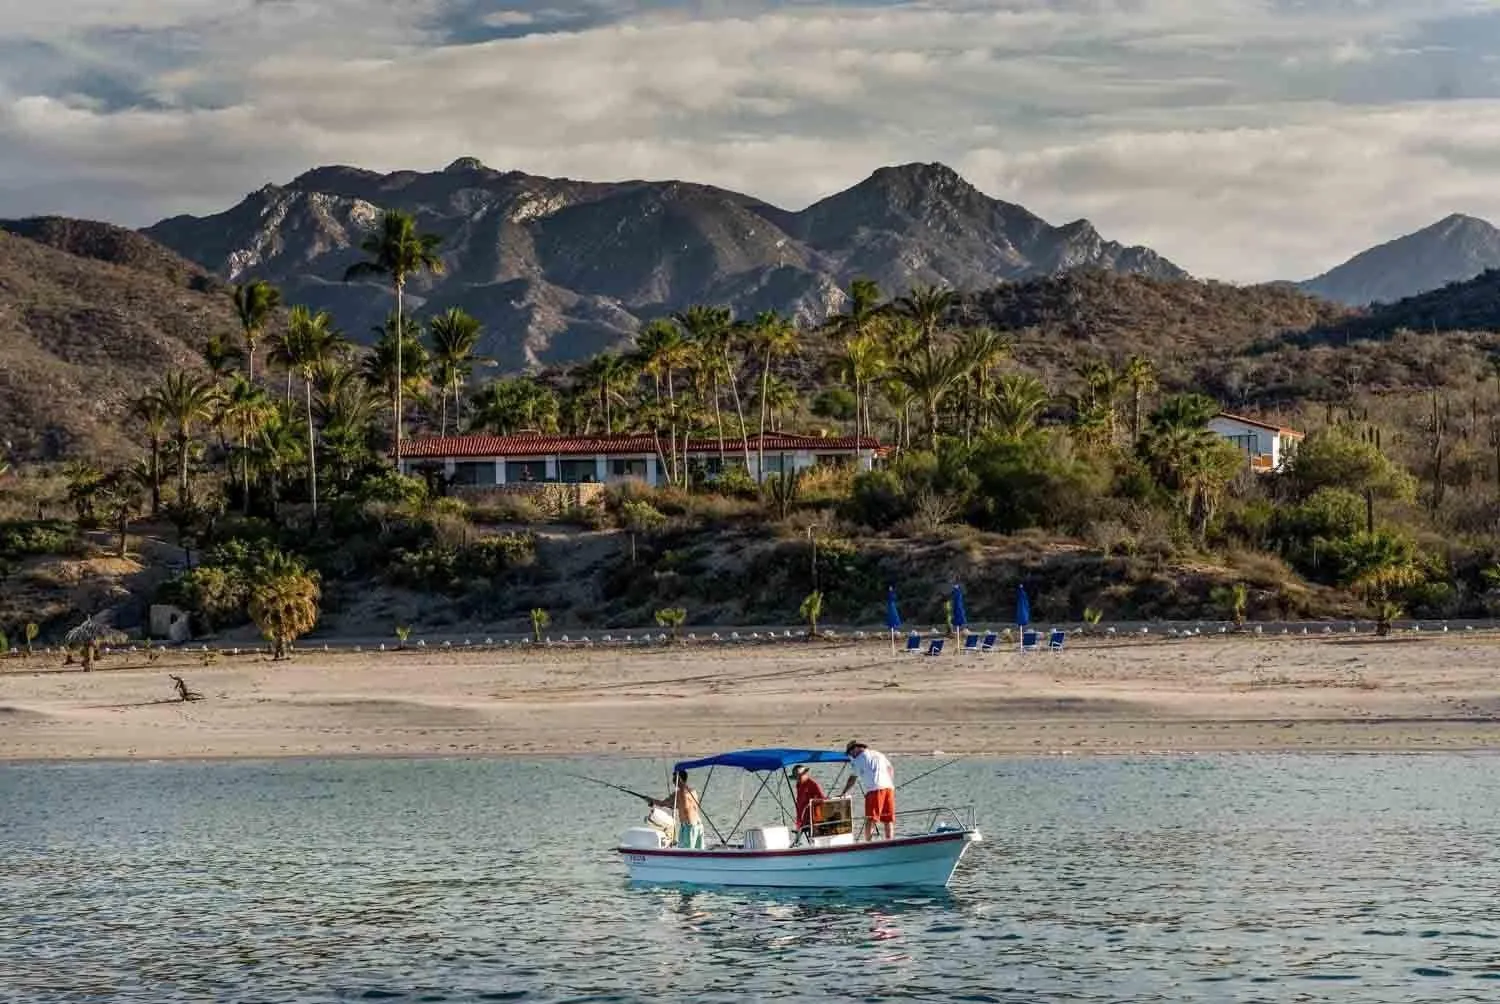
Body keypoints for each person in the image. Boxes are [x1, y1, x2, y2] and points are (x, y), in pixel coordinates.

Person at [841, 740, 895, 841]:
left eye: (850, 753)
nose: (851, 756)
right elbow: (890, 768)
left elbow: (852, 779)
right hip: (889, 788)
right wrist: (889, 783)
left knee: (871, 819)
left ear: (855, 749)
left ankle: (868, 842)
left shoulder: (859, 759)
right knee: (888, 819)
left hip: (874, 790)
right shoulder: (878, 753)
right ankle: (890, 841)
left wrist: (843, 792)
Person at [652, 770, 703, 849]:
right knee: (698, 852)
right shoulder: (693, 791)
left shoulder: (679, 794)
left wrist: (651, 800)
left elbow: (662, 803)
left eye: (674, 779)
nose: (673, 782)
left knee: (686, 853)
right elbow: (685, 806)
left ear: (679, 779)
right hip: (698, 825)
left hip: (688, 827)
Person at [791, 765, 827, 837]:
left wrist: (811, 804)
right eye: (796, 777)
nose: (798, 779)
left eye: (800, 776)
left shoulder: (812, 784)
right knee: (799, 839)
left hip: (812, 818)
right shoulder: (799, 784)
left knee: (812, 837)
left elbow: (822, 799)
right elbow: (800, 800)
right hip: (802, 818)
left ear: (805, 774)